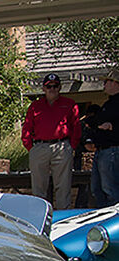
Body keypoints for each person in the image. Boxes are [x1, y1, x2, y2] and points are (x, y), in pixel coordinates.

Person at [21, 73, 80, 210]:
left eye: (55, 86)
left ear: (60, 87)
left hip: (62, 146)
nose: (52, 89)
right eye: (49, 86)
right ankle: (40, 216)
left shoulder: (69, 104)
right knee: (39, 187)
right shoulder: (35, 106)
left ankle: (62, 218)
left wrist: (71, 146)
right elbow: (27, 128)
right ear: (43, 88)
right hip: (40, 147)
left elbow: (76, 127)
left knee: (63, 186)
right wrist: (31, 147)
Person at [89, 68, 119, 206]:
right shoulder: (108, 104)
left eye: (107, 81)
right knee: (97, 189)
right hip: (101, 151)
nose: (104, 84)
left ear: (115, 83)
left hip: (112, 150)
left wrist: (112, 126)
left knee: (110, 190)